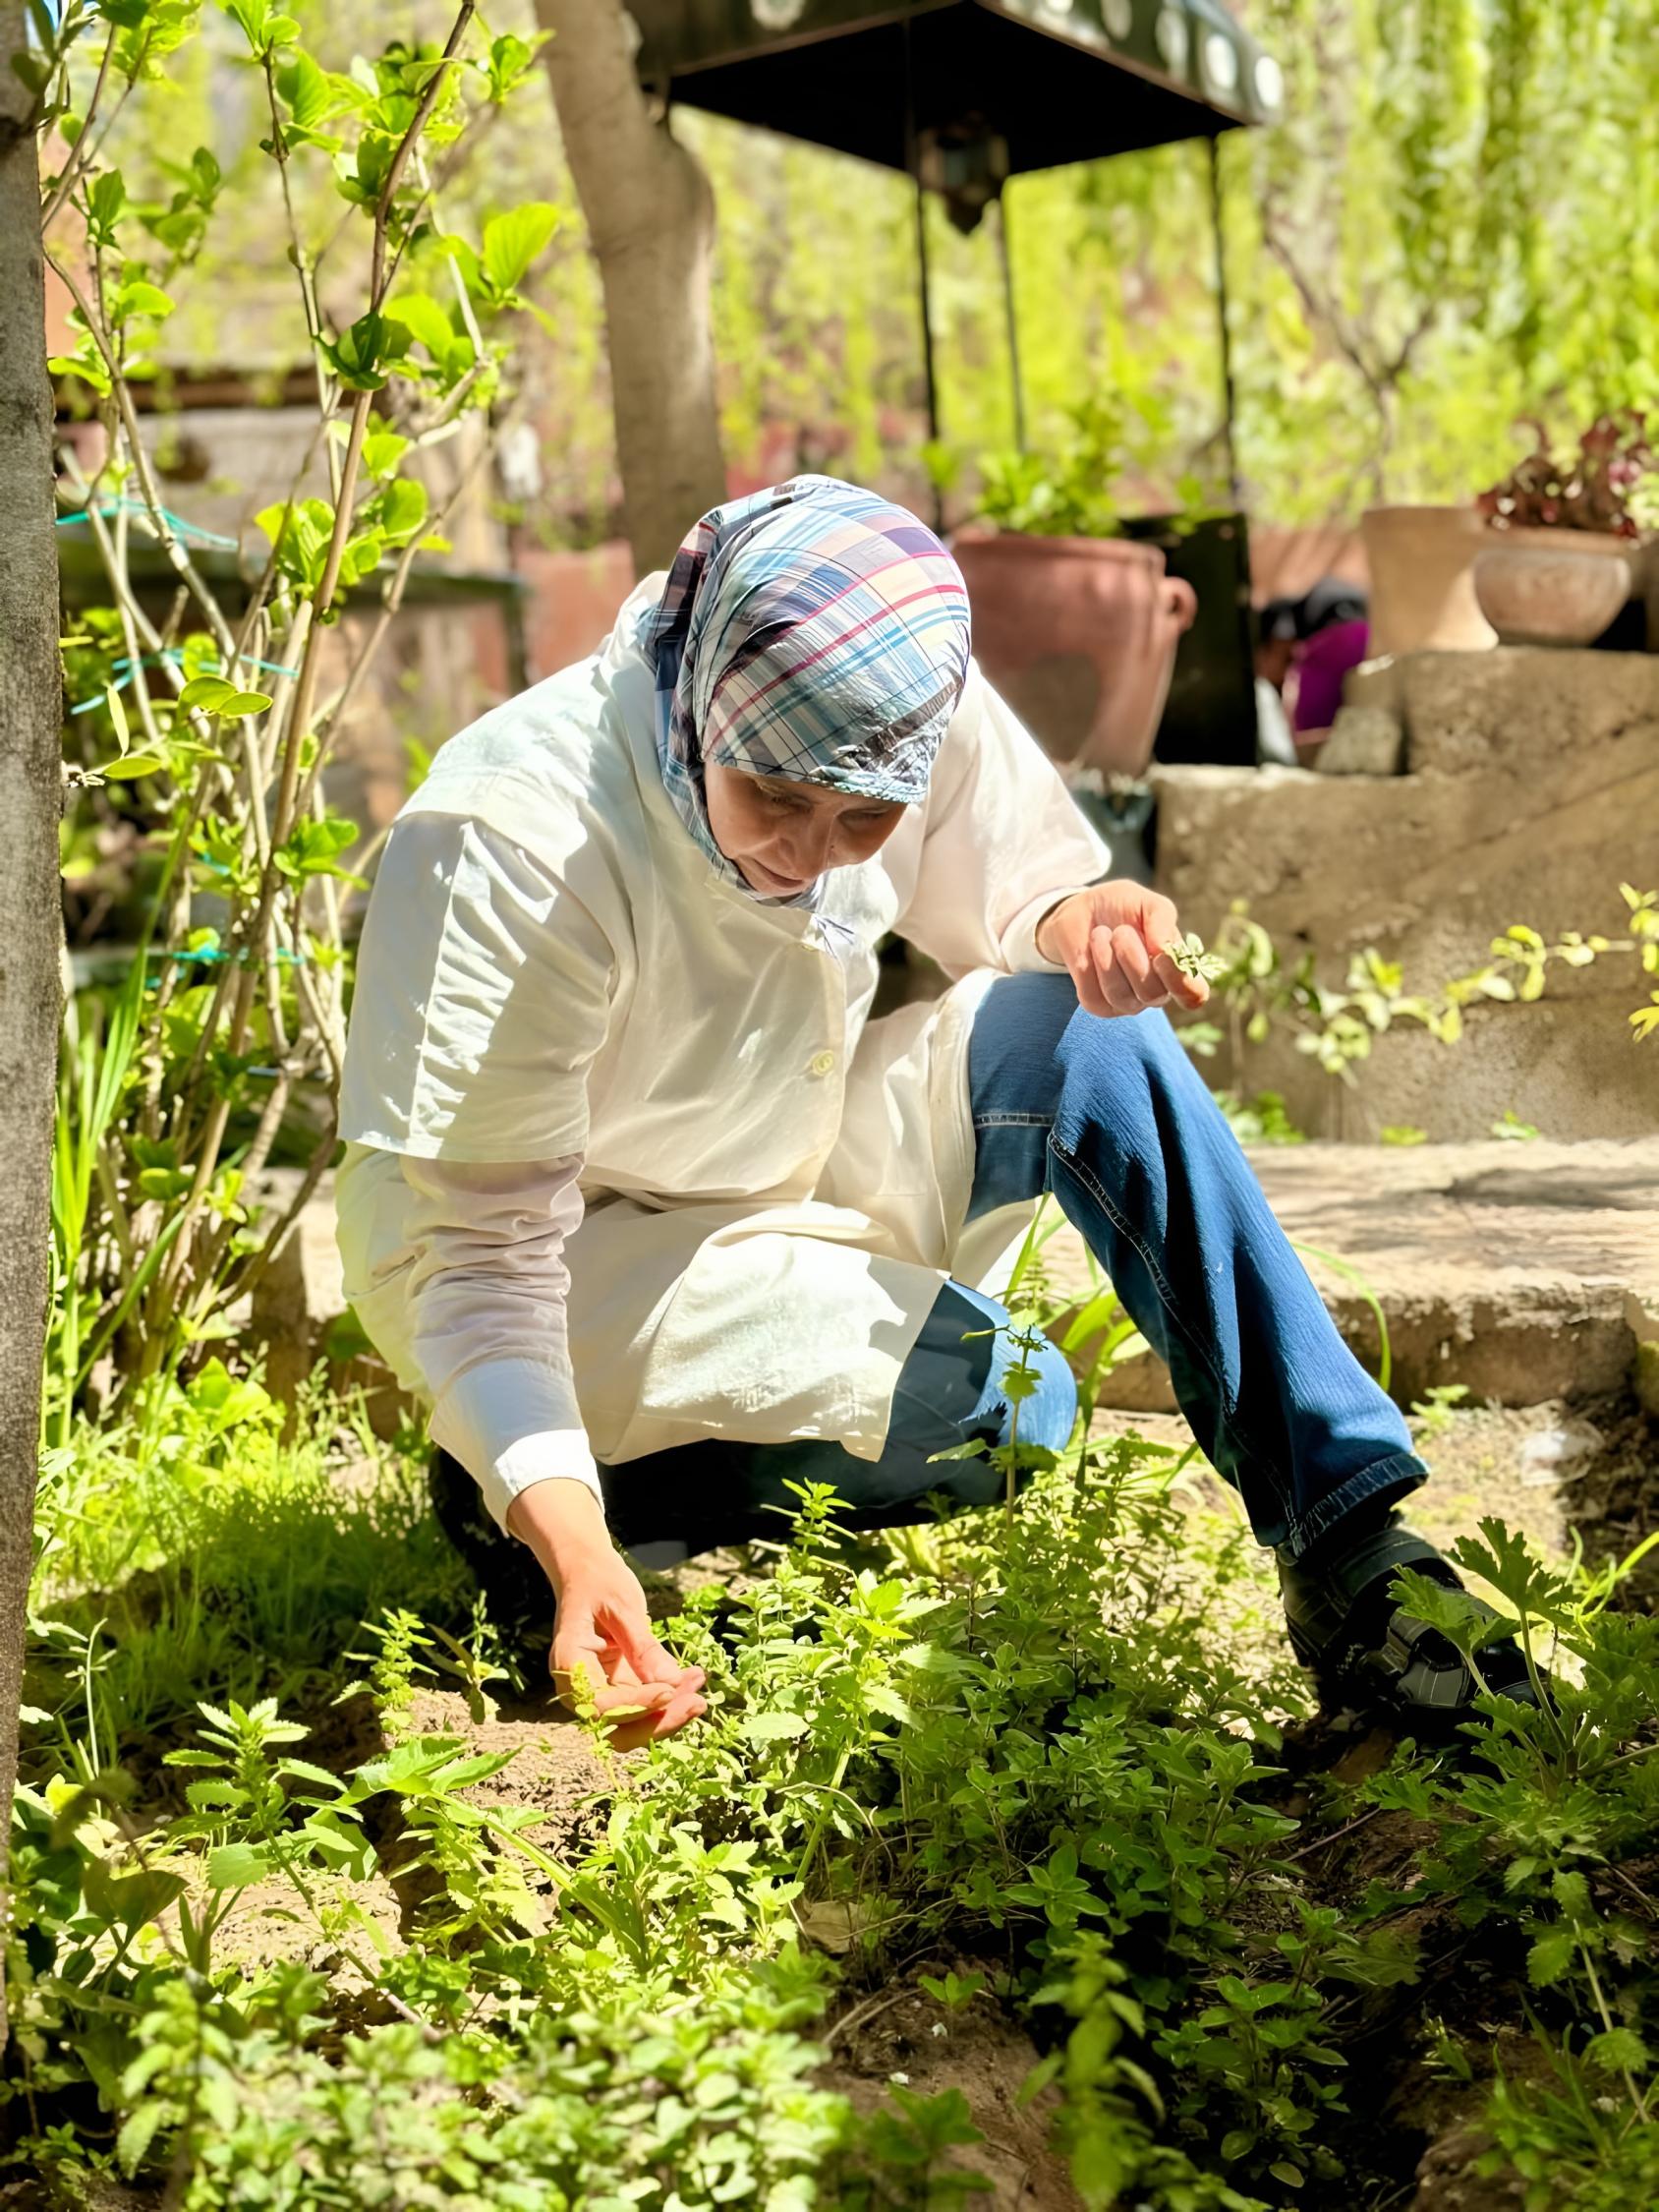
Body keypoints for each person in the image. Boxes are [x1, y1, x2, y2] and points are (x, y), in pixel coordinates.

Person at [337, 478, 1529, 1750]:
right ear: (696, 707)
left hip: (778, 1143)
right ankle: (548, 1501)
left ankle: (1353, 1543)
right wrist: (570, 1529)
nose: (811, 850)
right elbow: (475, 1261)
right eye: (776, 801)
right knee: (987, 1399)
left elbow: (1013, 868)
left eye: (864, 819)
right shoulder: (519, 841)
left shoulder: (903, 684)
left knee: (1074, 1077)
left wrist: (1080, 918)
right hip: (580, 1260)